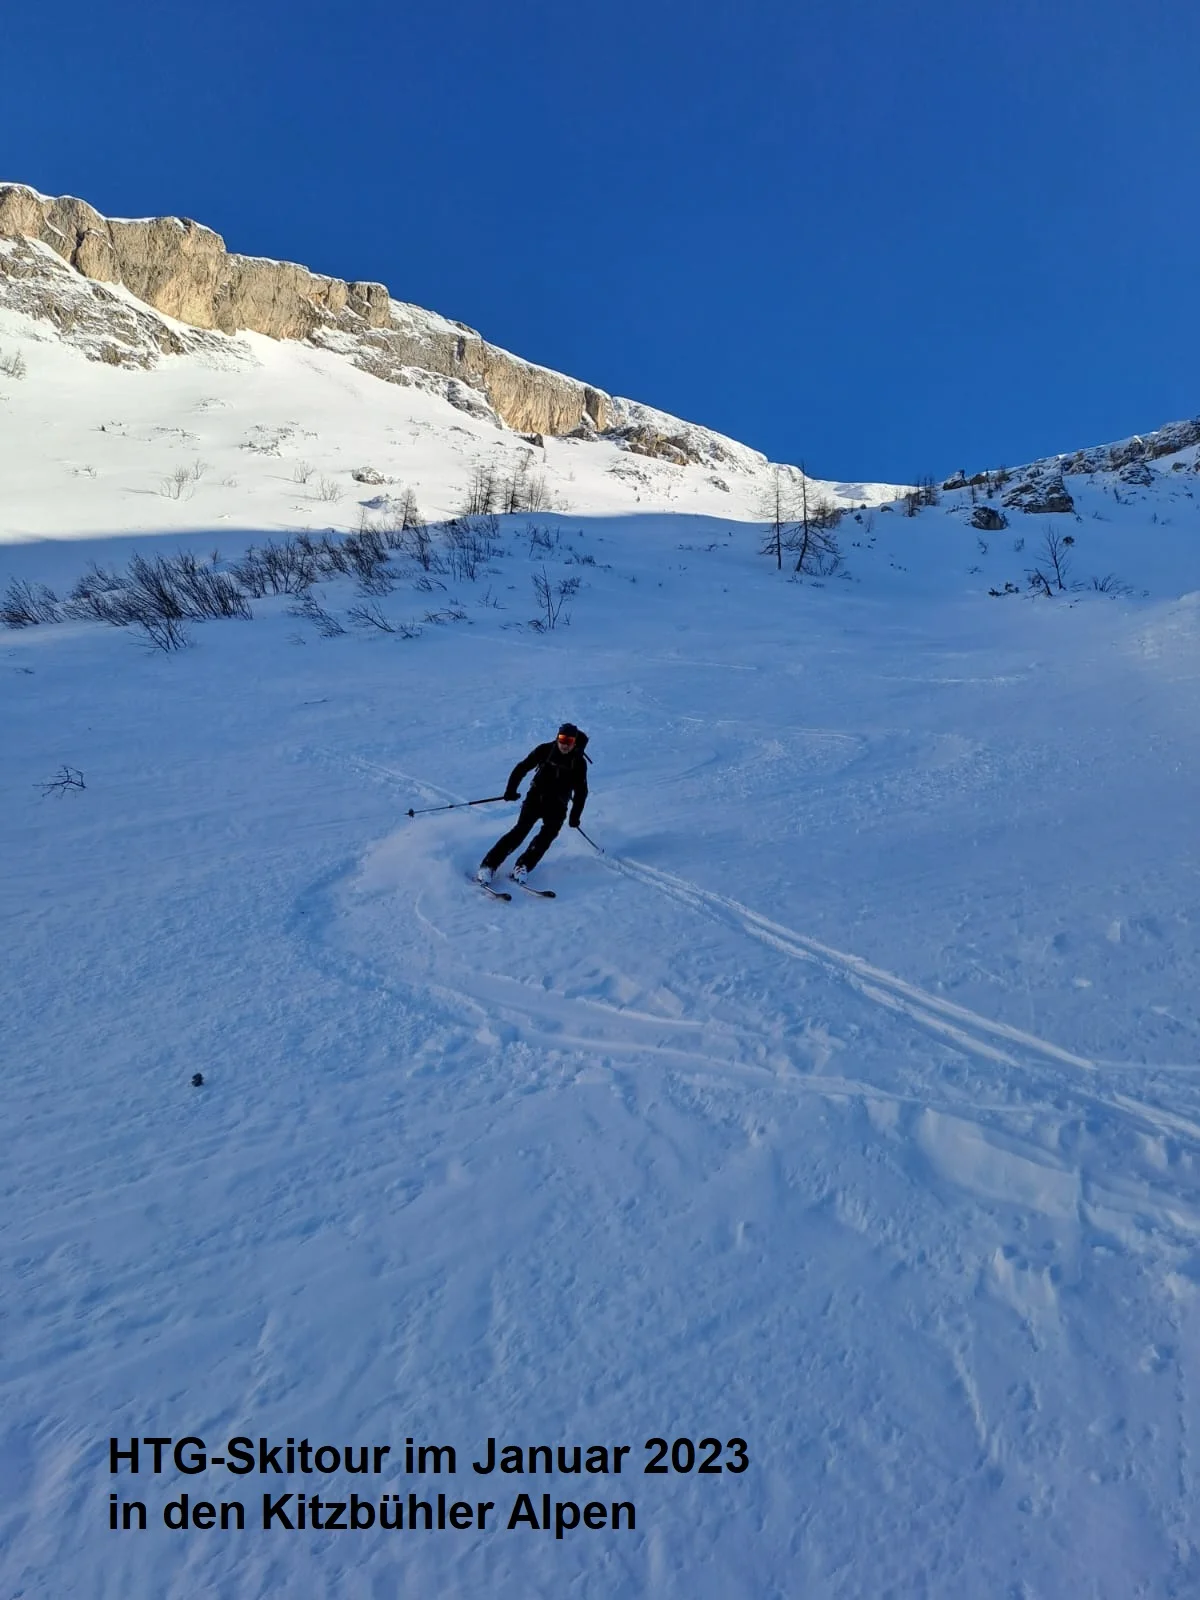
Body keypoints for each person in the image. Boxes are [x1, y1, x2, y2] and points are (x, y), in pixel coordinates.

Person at [477, 724, 588, 885]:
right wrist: (511, 790)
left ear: (575, 742)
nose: (565, 744)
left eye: (569, 741)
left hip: (558, 805)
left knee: (547, 836)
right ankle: (488, 866)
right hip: (536, 799)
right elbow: (521, 768)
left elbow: (581, 792)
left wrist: (575, 816)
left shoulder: (579, 763)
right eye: (562, 739)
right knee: (519, 832)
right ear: (557, 737)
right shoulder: (545, 750)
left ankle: (523, 866)